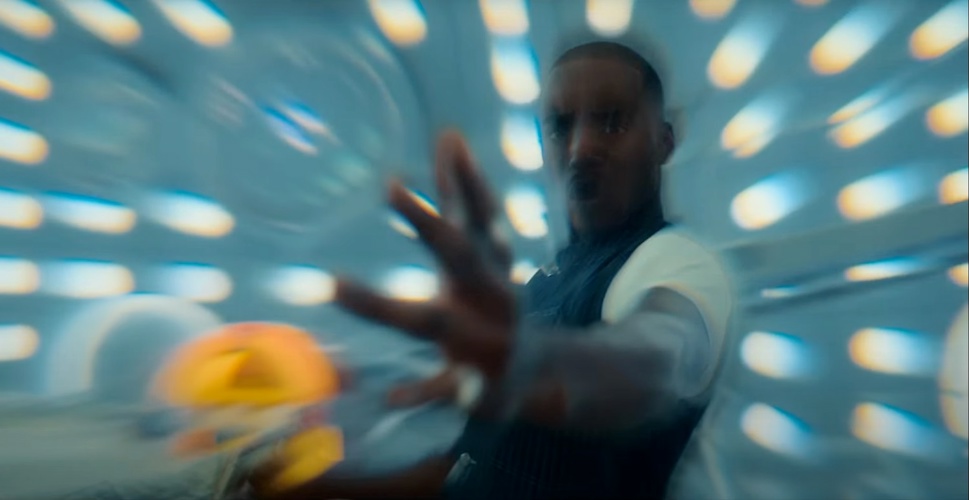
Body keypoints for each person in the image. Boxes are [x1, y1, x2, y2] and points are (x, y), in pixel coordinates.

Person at [247, 39, 733, 500]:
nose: (581, 148)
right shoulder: (541, 287)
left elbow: (655, 362)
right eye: (561, 126)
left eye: (611, 121)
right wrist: (320, 487)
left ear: (663, 141)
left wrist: (526, 362)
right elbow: (463, 474)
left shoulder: (677, 262)